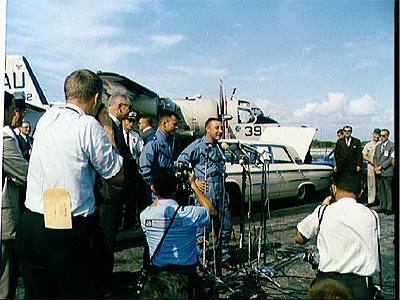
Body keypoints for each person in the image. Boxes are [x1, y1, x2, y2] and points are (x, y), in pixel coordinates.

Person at [15, 69, 124, 299]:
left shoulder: (46, 118)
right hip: (67, 228)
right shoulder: (87, 125)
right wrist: (108, 129)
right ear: (96, 99)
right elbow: (116, 174)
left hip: (32, 222)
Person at [295, 170, 380, 299]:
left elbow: (299, 237)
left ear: (334, 189)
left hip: (328, 285)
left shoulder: (323, 212)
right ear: (361, 191)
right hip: (361, 286)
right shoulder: (372, 216)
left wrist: (322, 207)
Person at [140, 167, 216, 298]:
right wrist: (193, 185)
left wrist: (160, 191)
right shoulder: (189, 214)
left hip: (159, 275)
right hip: (186, 276)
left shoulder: (145, 216)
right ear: (176, 187)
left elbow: (155, 205)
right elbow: (211, 211)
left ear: (153, 189)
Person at [177, 117, 234, 270]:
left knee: (225, 226)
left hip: (221, 192)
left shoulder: (219, 147)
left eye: (221, 128)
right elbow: (180, 163)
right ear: (208, 129)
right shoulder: (197, 146)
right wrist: (193, 182)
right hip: (206, 193)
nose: (220, 131)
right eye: (217, 128)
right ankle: (203, 260)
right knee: (204, 229)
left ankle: (224, 256)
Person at [1, 92, 29, 299]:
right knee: (5, 281)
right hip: (4, 222)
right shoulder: (4, 140)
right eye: (11, 109)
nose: (15, 114)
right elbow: (24, 174)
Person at [139, 110, 179, 202]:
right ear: (164, 123)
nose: (177, 127)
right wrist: (153, 185)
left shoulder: (171, 142)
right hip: (157, 193)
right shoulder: (153, 143)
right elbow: (144, 167)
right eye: (174, 124)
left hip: (168, 191)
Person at [121, 112, 143, 229]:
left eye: (133, 121)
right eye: (129, 121)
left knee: (131, 197)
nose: (131, 124)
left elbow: (139, 151)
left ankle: (129, 223)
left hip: (131, 168)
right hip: (121, 167)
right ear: (124, 121)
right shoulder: (118, 134)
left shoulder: (135, 136)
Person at [373, 129, 394, 215]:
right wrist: (375, 167)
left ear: (388, 136)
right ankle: (382, 206)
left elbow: (390, 159)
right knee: (381, 190)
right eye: (380, 135)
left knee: (388, 190)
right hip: (378, 172)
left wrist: (381, 167)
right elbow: (375, 158)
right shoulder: (378, 146)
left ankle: (389, 207)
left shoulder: (392, 146)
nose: (381, 137)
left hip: (387, 171)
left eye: (383, 136)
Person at [362, 128, 381, 207]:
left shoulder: (381, 144)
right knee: (371, 184)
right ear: (373, 134)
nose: (377, 136)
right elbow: (364, 155)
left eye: (378, 134)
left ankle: (381, 201)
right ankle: (371, 201)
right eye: (375, 134)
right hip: (371, 165)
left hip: (380, 166)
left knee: (380, 184)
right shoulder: (368, 145)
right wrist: (371, 160)